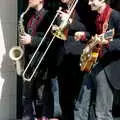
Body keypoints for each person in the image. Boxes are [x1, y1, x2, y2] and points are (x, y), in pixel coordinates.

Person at [74, 0, 120, 120]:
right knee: (81, 104)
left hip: (107, 66)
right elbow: (97, 36)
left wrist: (108, 43)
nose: (89, 3)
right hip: (94, 62)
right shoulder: (98, 16)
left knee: (103, 112)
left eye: (92, 0)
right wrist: (84, 35)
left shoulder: (115, 16)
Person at [20, 0, 58, 119]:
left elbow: (51, 41)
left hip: (42, 63)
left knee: (42, 98)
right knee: (27, 97)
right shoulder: (27, 16)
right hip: (29, 62)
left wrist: (32, 40)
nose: (29, 0)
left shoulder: (50, 16)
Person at [51, 0, 89, 119]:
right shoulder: (60, 6)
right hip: (62, 57)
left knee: (77, 94)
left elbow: (88, 28)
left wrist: (70, 21)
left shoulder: (84, 7)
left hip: (76, 56)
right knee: (64, 95)